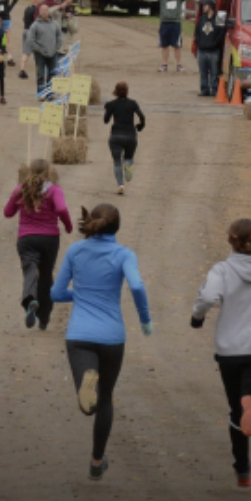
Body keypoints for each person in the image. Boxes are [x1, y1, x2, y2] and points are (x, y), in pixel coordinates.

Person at [50, 204, 152, 481]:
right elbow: (138, 286)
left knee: (91, 390)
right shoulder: (123, 254)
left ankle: (87, 389)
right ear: (116, 228)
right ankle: (97, 461)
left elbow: (57, 294)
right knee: (106, 397)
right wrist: (145, 319)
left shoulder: (75, 251)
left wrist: (82, 294)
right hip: (111, 336)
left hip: (80, 335)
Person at [191, 218, 251, 488]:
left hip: (229, 350)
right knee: (249, 402)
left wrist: (197, 317)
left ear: (229, 241)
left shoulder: (222, 270)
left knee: (235, 410)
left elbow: (208, 297)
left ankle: (242, 467)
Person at [4, 159, 73, 330]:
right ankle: (44, 317)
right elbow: (62, 209)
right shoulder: (55, 190)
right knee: (46, 274)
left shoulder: (21, 189)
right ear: (49, 172)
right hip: (50, 238)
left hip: (26, 238)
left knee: (30, 269)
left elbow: (8, 212)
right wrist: (67, 225)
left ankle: (30, 300)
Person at [103, 82, 145, 195]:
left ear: (115, 92)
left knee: (117, 162)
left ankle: (120, 185)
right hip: (131, 135)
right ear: (127, 91)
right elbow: (142, 116)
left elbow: (106, 121)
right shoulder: (133, 103)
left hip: (116, 135)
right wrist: (140, 126)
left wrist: (107, 109)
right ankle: (128, 164)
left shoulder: (112, 104)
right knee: (129, 157)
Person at [149, 0, 192, 72]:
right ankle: (164, 65)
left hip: (175, 23)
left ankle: (179, 65)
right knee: (164, 45)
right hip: (164, 23)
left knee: (177, 45)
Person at [25, 4, 63, 95]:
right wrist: (39, 49)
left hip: (53, 53)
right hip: (39, 54)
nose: (44, 12)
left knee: (53, 74)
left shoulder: (55, 24)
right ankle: (41, 94)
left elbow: (59, 36)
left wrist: (56, 47)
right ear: (39, 12)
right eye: (42, 10)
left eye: (46, 10)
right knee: (40, 75)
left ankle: (50, 94)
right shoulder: (35, 25)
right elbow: (30, 40)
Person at [194, 0, 226, 96]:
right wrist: (199, 43)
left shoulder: (219, 18)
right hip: (202, 50)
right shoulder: (202, 18)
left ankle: (214, 90)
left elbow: (222, 33)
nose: (204, 7)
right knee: (203, 72)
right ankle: (204, 89)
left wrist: (215, 43)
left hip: (214, 51)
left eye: (205, 5)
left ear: (211, 6)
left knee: (214, 72)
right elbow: (197, 32)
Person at [18, 0, 42, 80]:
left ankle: (22, 68)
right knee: (36, 52)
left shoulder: (27, 8)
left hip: (25, 30)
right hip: (31, 32)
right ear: (38, 0)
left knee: (25, 51)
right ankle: (23, 70)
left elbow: (23, 19)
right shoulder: (37, 10)